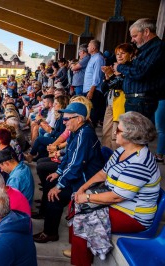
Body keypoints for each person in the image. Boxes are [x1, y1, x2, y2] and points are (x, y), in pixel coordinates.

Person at [68, 111, 160, 265]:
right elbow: (102, 174)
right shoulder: (121, 151)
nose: (114, 131)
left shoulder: (139, 163)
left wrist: (88, 197)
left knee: (82, 219)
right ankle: (78, 249)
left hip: (133, 215)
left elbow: (118, 196)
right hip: (117, 203)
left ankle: (81, 258)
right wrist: (82, 189)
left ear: (131, 136)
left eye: (118, 129)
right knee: (75, 201)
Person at [33, 102, 104, 243]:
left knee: (55, 196)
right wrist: (58, 173)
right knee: (50, 181)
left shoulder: (85, 134)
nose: (64, 123)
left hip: (85, 181)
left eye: (67, 119)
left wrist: (59, 185)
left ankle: (50, 233)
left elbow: (76, 166)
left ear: (79, 119)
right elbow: (68, 157)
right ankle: (45, 213)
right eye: (63, 119)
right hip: (78, 175)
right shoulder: (75, 131)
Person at [114, 18, 165, 120]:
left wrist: (119, 67)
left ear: (146, 32)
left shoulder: (157, 47)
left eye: (135, 36)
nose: (132, 40)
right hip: (136, 101)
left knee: (137, 134)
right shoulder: (143, 50)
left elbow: (140, 72)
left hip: (142, 101)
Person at [101, 43, 135, 150]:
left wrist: (111, 75)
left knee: (116, 136)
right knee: (106, 133)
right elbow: (104, 88)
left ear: (131, 55)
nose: (119, 56)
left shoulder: (131, 69)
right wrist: (107, 77)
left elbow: (121, 85)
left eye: (123, 53)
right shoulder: (115, 67)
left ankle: (115, 160)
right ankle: (106, 159)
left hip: (121, 106)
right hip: (111, 103)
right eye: (117, 54)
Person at [83, 39, 105, 127]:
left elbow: (97, 77)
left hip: (93, 91)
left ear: (93, 47)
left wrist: (91, 91)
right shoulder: (92, 57)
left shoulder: (98, 58)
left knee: (92, 115)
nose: (87, 47)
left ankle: (90, 137)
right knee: (88, 114)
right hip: (88, 89)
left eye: (88, 46)